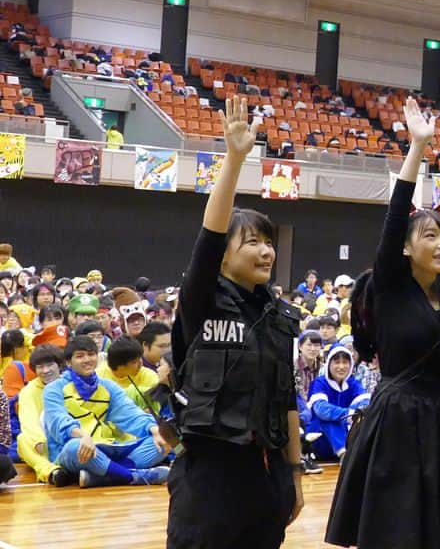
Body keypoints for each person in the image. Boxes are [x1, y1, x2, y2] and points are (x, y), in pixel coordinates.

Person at [326, 96, 440, 549]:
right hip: (395, 422)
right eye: (429, 235)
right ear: (407, 249)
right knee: (392, 534)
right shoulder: (391, 287)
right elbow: (396, 217)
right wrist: (418, 147)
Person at [166, 96, 304, 549]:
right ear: (224, 256)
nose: (267, 251)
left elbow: (287, 402)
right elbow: (209, 235)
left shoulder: (281, 317)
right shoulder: (201, 299)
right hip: (208, 476)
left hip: (266, 475)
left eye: (269, 242)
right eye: (253, 243)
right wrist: (236, 158)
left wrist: (295, 474)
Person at [42, 336, 170, 488]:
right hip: (73, 448)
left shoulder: (108, 386)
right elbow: (58, 421)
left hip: (107, 447)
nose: (87, 359)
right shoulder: (53, 389)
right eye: (80, 356)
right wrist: (83, 436)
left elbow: (129, 412)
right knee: (75, 447)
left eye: (91, 354)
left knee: (163, 441)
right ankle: (133, 476)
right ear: (69, 362)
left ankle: (102, 477)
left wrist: (154, 429)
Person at [16, 345, 72, 485]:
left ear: (59, 365)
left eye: (50, 365)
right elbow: (28, 419)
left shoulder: (71, 383)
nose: (45, 371)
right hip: (44, 444)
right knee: (22, 440)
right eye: (40, 367)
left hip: (72, 438)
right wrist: (37, 440)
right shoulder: (28, 391)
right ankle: (52, 472)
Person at [306, 343, 364, 460]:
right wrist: (348, 414)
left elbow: (364, 406)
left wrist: (353, 416)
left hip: (346, 434)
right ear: (329, 364)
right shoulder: (320, 383)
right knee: (328, 419)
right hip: (320, 438)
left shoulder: (354, 384)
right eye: (337, 362)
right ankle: (344, 455)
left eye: (345, 362)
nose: (341, 367)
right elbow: (321, 410)